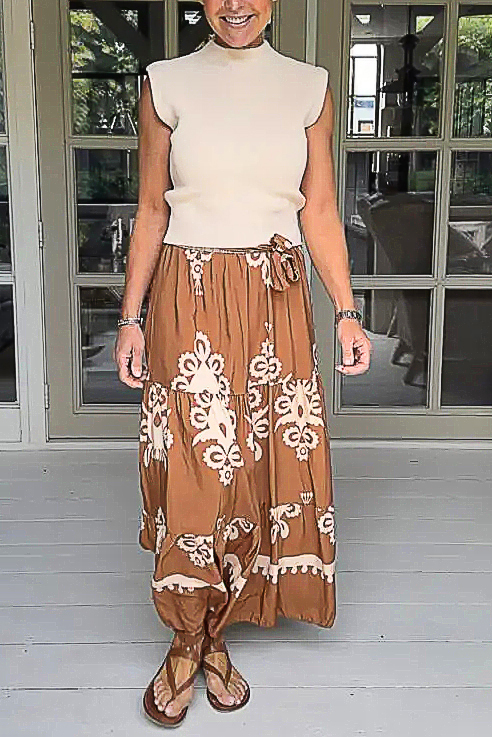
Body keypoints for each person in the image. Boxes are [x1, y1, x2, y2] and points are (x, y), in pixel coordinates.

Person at [114, 0, 371, 727]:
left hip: (274, 299)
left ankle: (216, 632)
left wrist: (346, 310)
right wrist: (131, 318)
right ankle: (186, 638)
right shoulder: (165, 82)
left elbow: (319, 210)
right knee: (195, 468)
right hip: (188, 296)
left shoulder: (310, 86)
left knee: (255, 471)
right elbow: (152, 209)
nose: (236, 5)